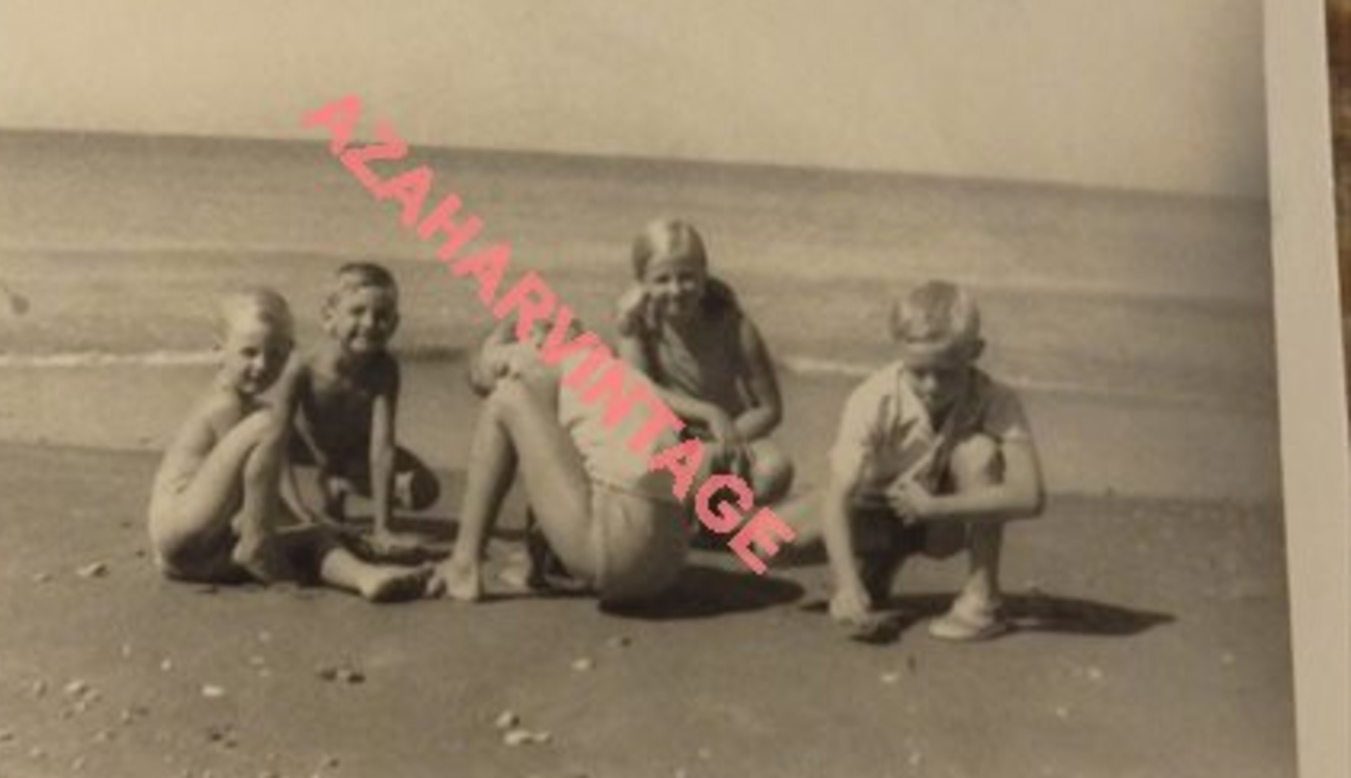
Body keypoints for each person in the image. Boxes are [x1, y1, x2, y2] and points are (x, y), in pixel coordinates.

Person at [146, 288, 430, 600]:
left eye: (276, 354)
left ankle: (366, 578)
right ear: (218, 349)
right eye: (249, 352)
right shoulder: (225, 405)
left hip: (199, 556)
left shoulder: (246, 409)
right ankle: (257, 547)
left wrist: (309, 524)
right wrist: (273, 530)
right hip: (180, 530)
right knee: (272, 421)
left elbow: (261, 489)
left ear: (290, 353)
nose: (262, 365)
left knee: (315, 540)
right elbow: (248, 499)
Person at [818, 280, 1045, 641]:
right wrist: (845, 586)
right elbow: (838, 497)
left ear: (975, 351)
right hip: (875, 508)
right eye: (918, 371)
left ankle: (982, 601)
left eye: (946, 371)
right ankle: (879, 564)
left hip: (944, 520)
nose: (931, 386)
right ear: (899, 353)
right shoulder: (872, 399)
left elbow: (1030, 496)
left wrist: (935, 509)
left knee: (978, 451)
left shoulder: (995, 398)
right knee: (762, 545)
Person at [428, 318, 690, 606]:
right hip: (670, 561)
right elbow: (555, 464)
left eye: (491, 369)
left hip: (614, 550)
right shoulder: (601, 367)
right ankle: (534, 564)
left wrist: (505, 385)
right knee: (540, 428)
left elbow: (545, 464)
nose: (505, 373)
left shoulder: (533, 367)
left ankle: (463, 563)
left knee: (506, 400)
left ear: (530, 340)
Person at [615, 218, 793, 506]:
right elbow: (640, 391)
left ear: (704, 276)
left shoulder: (733, 325)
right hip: (668, 435)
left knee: (775, 470)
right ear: (642, 284)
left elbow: (769, 408)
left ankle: (709, 516)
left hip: (729, 432)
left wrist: (727, 438)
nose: (675, 289)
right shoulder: (635, 322)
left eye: (687, 277)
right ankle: (699, 512)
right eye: (662, 279)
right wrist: (709, 412)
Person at [275, 263, 440, 557]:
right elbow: (275, 442)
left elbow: (382, 449)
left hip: (352, 452)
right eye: (357, 312)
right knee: (261, 436)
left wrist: (383, 528)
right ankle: (295, 503)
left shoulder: (384, 370)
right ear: (329, 317)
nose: (369, 323)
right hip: (303, 447)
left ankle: (340, 486)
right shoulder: (302, 367)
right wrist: (298, 511)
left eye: (382, 316)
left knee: (424, 489)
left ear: (395, 324)